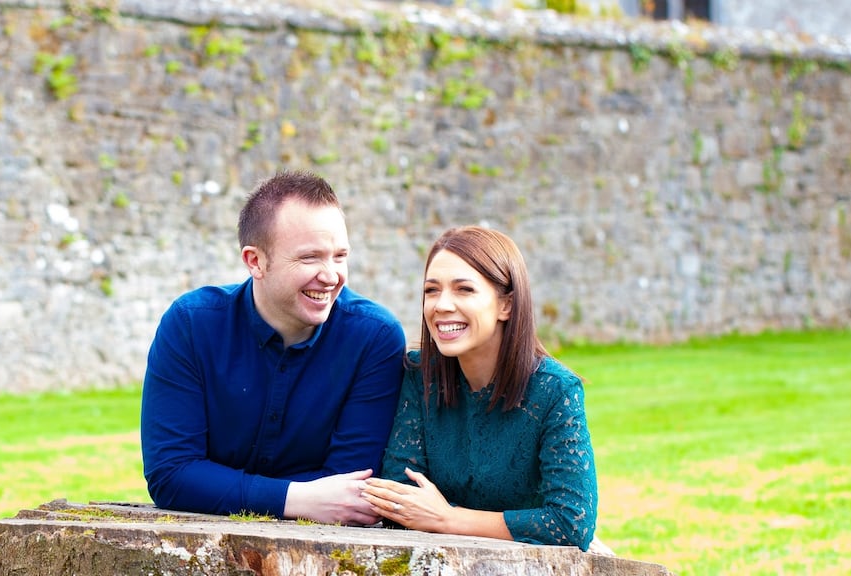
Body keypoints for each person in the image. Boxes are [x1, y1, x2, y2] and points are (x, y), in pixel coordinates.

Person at [141, 170, 406, 526]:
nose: (331, 276)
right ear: (255, 261)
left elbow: (350, 490)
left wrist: (217, 485)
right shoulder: (191, 325)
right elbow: (171, 474)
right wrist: (297, 498)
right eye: (310, 258)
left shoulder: (374, 338)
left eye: (340, 256)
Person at [361, 225, 607, 552]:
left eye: (464, 289)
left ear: (507, 305)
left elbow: (571, 522)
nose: (441, 305)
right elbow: (398, 498)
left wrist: (448, 519)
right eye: (432, 290)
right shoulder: (421, 375)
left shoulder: (555, 390)